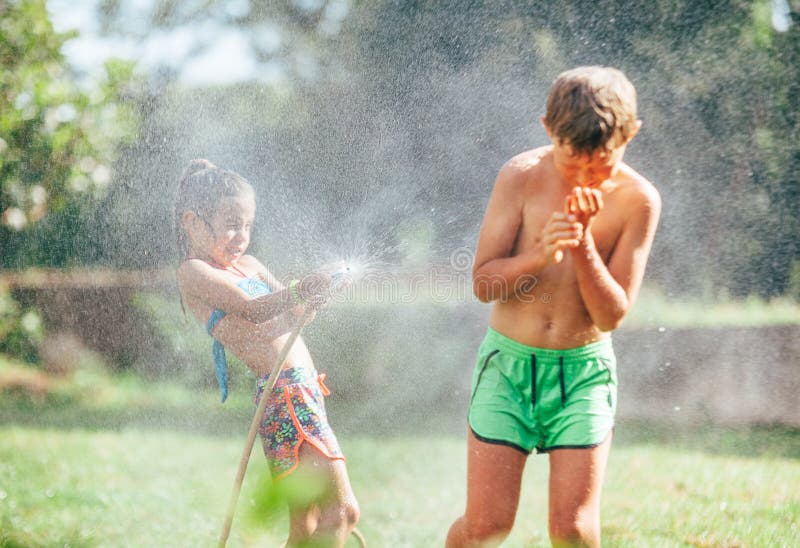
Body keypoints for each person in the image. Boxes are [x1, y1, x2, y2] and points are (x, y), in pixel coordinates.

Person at [446, 66, 661, 547]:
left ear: (632, 133)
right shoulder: (521, 176)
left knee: (575, 531)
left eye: (602, 159)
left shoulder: (638, 201)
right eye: (572, 158)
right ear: (548, 129)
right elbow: (483, 284)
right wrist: (540, 255)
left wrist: (582, 245)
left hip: (583, 373)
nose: (586, 173)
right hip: (509, 368)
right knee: (487, 526)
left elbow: (611, 316)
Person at [174, 159, 360, 547]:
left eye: (247, 224)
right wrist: (303, 286)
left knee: (307, 523)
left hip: (304, 390)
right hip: (284, 395)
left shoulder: (251, 266)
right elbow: (255, 309)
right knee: (342, 513)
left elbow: (296, 313)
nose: (240, 235)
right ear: (192, 222)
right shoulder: (194, 271)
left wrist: (322, 289)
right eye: (230, 223)